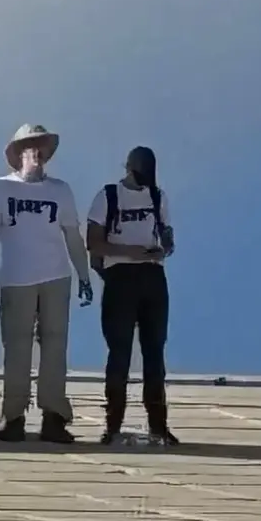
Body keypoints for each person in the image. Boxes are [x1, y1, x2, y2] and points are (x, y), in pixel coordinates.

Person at [0, 124, 93, 444]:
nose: (37, 153)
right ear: (18, 155)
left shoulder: (60, 190)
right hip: (16, 279)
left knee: (55, 347)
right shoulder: (0, 188)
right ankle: (12, 416)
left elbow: (72, 235)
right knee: (17, 348)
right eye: (30, 148)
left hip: (56, 277)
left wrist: (83, 275)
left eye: (41, 147)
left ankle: (54, 417)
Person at [87, 146, 179, 446]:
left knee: (155, 352)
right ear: (128, 168)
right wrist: (129, 252)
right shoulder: (108, 196)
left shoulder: (157, 196)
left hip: (152, 277)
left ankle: (159, 425)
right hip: (119, 278)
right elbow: (94, 243)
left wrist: (162, 249)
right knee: (119, 353)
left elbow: (168, 236)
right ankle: (113, 425)